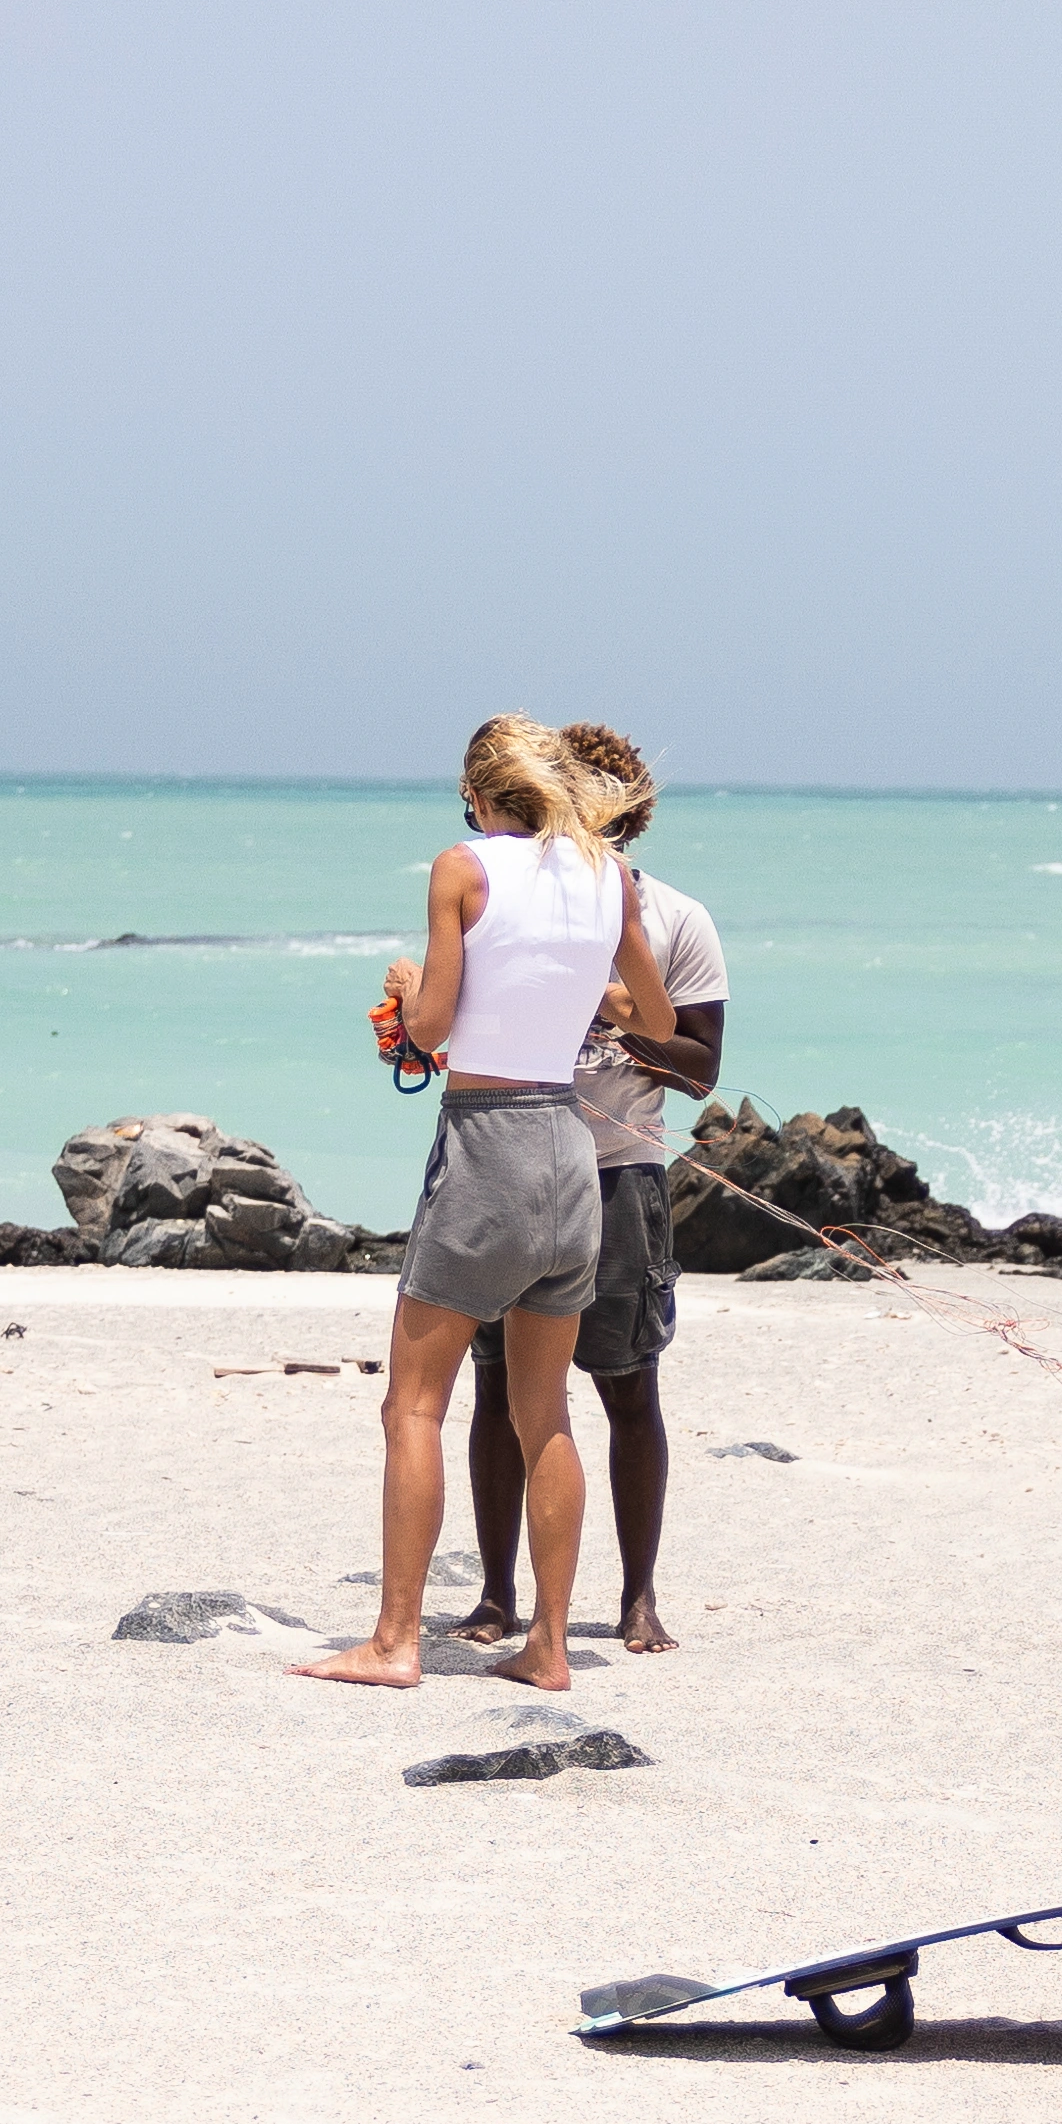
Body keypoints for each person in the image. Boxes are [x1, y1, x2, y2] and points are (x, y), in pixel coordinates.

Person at [305, 719, 667, 1696]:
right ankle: (548, 1645)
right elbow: (658, 1018)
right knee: (541, 1411)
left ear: (478, 795)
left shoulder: (460, 868)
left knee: (412, 1403)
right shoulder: (609, 876)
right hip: (567, 1150)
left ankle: (392, 1641)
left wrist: (407, 988)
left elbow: (426, 1032)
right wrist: (580, 995)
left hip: (486, 1149)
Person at [456, 720, 722, 1654]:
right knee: (495, 1390)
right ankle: (495, 1593)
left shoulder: (677, 919)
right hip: (512, 1156)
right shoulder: (509, 900)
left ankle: (640, 1597)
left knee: (626, 1386)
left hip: (620, 1174)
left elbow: (700, 1069)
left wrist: (615, 1009)